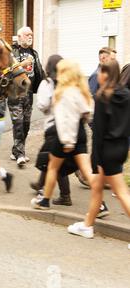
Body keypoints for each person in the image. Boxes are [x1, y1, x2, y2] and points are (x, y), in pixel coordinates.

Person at [30, 60, 106, 212]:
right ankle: (101, 205)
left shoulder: (65, 93)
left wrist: (67, 141)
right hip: (81, 133)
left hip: (65, 135)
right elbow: (88, 111)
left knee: (52, 168)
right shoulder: (81, 90)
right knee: (87, 172)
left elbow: (66, 119)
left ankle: (45, 201)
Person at [68, 60, 130, 239]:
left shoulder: (102, 97)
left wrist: (95, 162)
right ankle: (87, 225)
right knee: (96, 187)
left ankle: (87, 225)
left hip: (107, 152)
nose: (98, 76)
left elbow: (99, 133)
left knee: (122, 193)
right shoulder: (126, 94)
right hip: (121, 147)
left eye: (101, 72)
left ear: (107, 75)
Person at [31, 55, 74, 206]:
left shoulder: (46, 83)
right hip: (67, 125)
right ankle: (41, 185)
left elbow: (42, 105)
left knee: (53, 161)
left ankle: (62, 195)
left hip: (52, 126)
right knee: (53, 160)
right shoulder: (67, 82)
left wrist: (51, 101)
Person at [8, 26, 44, 167]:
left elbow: (39, 72)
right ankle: (20, 154)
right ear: (19, 36)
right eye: (27, 35)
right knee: (18, 123)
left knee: (26, 124)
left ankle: (16, 150)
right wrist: (22, 64)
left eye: (31, 35)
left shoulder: (33, 53)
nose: (30, 37)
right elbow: (7, 71)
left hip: (28, 94)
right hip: (15, 93)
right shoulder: (11, 52)